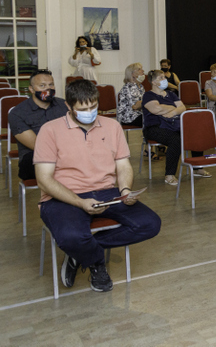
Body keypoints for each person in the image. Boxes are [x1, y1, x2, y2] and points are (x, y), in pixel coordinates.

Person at [34, 80, 161, 292]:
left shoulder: (112, 126)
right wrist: (80, 202)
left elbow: (123, 166)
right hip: (63, 197)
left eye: (93, 107)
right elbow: (44, 180)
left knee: (150, 224)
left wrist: (125, 190)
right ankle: (96, 263)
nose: (90, 113)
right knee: (72, 237)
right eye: (83, 109)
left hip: (106, 193)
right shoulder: (49, 130)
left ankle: (80, 253)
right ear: (68, 106)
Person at [144, 69, 207, 184]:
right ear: (153, 82)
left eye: (164, 77)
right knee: (175, 140)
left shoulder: (171, 94)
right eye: (161, 78)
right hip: (155, 127)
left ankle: (197, 168)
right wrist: (173, 107)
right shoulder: (148, 95)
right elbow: (156, 109)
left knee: (195, 133)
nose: (165, 80)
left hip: (173, 125)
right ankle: (169, 175)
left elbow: (182, 108)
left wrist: (172, 112)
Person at [9, 69, 69, 180]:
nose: (48, 89)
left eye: (51, 85)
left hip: (66, 153)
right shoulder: (17, 113)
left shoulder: (64, 105)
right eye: (42, 85)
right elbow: (37, 145)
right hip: (34, 157)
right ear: (31, 89)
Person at [117, 62, 146, 128]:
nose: (143, 71)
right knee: (152, 119)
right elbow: (135, 106)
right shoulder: (127, 87)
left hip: (139, 114)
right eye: (139, 69)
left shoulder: (141, 87)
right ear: (133, 74)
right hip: (129, 117)